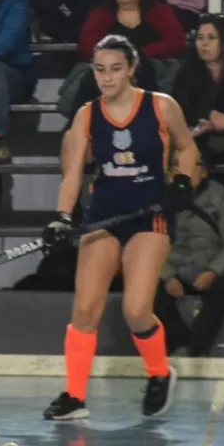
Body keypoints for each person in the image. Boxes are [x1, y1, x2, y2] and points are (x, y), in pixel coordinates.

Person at [41, 35, 199, 422]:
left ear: (130, 69)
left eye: (115, 69)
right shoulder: (86, 115)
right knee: (85, 309)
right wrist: (61, 216)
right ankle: (74, 397)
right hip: (105, 215)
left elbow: (187, 147)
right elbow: (73, 174)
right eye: (99, 70)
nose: (107, 78)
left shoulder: (162, 107)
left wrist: (182, 181)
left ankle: (159, 373)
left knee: (136, 309)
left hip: (149, 216)